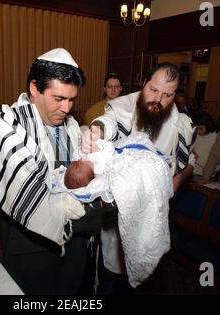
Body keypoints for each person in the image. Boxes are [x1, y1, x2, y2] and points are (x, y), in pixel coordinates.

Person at [0, 48, 111, 295]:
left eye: (71, 99)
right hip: (31, 250)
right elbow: (30, 197)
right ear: (35, 88)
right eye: (58, 98)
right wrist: (100, 213)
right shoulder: (7, 126)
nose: (67, 108)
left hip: (75, 247)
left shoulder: (72, 125)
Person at [82, 62, 196, 293]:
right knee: (111, 277)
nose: (158, 99)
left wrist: (180, 178)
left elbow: (190, 161)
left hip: (153, 213)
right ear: (144, 84)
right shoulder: (122, 107)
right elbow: (109, 124)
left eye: (167, 95)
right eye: (153, 90)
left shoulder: (181, 124)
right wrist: (96, 131)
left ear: (175, 95)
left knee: (144, 276)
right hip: (116, 215)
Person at [53, 131, 173, 289]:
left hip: (121, 153)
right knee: (110, 276)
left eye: (78, 161)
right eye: (82, 163)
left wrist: (92, 147)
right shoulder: (99, 168)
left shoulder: (84, 160)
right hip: (122, 162)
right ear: (92, 177)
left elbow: (86, 153)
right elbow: (107, 156)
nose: (82, 159)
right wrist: (102, 150)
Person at [192, 111, 217, 177]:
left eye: (200, 128)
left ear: (208, 125)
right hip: (191, 172)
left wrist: (196, 157)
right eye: (196, 128)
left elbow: (216, 167)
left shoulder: (216, 139)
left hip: (204, 176)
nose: (197, 131)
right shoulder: (195, 135)